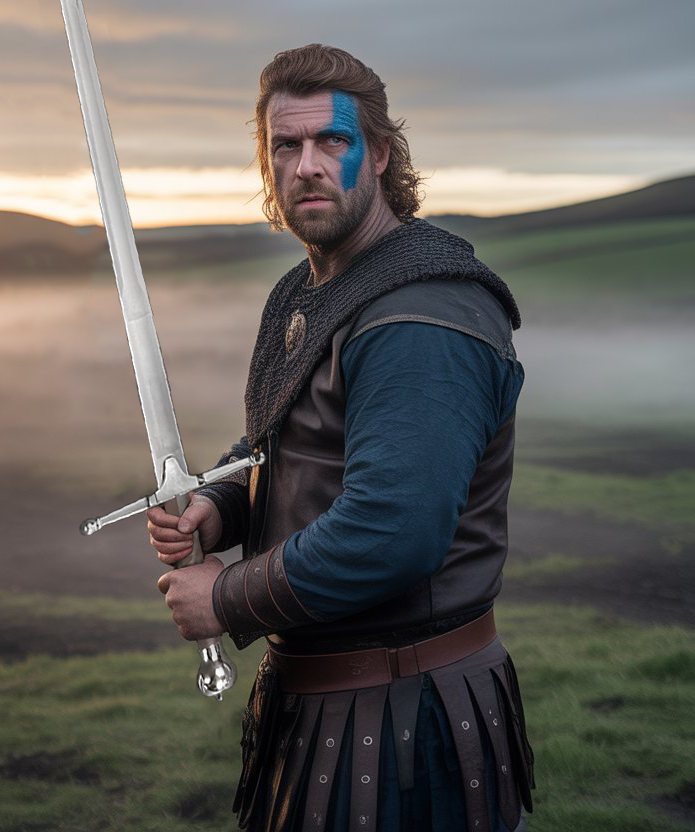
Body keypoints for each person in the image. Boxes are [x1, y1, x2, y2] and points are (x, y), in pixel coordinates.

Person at [149, 44, 534, 832]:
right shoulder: (310, 288)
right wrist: (220, 505)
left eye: (333, 141)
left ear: (381, 154)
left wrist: (226, 595)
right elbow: (285, 439)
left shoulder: (423, 312)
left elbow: (394, 530)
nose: (307, 166)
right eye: (284, 146)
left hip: (407, 717)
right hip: (327, 710)